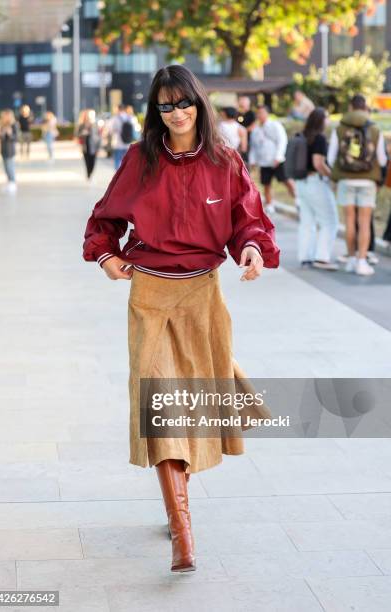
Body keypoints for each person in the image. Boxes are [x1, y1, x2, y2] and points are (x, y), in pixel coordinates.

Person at [82, 64, 280, 573]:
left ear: (199, 102)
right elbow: (103, 220)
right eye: (165, 105)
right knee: (161, 404)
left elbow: (248, 219)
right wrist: (106, 257)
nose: (176, 113)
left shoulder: (224, 160)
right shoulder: (138, 159)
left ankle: (176, 508)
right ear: (156, 110)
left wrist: (253, 250)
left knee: (190, 404)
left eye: (183, 102)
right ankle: (184, 534)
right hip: (149, 296)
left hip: (204, 299)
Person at [328, 94, 387, 276]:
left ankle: (352, 259)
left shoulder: (339, 128)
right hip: (368, 181)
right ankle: (362, 262)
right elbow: (383, 161)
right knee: (364, 222)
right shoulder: (375, 129)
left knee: (350, 222)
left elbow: (330, 159)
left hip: (346, 180)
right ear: (365, 107)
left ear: (351, 107)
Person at [294, 108, 339, 270]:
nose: (328, 121)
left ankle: (306, 257)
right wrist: (333, 176)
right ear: (321, 120)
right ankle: (322, 257)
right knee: (330, 221)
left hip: (301, 183)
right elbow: (318, 163)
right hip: (315, 182)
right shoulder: (319, 138)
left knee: (307, 221)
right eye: (327, 118)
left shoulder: (302, 135)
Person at [249, 104, 295, 214]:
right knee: (266, 184)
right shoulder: (256, 130)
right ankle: (270, 204)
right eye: (258, 113)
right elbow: (254, 146)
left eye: (262, 113)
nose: (260, 115)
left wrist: (278, 156)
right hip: (264, 161)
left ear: (267, 113)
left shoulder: (275, 125)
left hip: (277, 159)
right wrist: (253, 160)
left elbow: (282, 140)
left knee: (286, 180)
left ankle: (297, 199)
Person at [76, 109, 100, 180]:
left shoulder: (95, 124)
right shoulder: (81, 125)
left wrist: (98, 147)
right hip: (85, 146)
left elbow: (98, 136)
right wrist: (83, 133)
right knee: (87, 161)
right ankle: (88, 173)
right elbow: (77, 134)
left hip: (93, 145)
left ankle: (91, 172)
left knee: (93, 161)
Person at [108, 104, 133, 170]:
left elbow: (110, 130)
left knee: (117, 160)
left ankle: (118, 176)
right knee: (126, 161)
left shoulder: (115, 118)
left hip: (117, 143)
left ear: (118, 109)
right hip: (127, 143)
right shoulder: (129, 117)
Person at [0, 109, 18, 193]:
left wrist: (10, 134)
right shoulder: (2, 125)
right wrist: (2, 133)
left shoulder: (13, 125)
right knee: (6, 167)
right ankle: (9, 182)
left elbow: (15, 137)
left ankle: (13, 183)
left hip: (10, 150)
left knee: (10, 167)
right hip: (3, 149)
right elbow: (0, 138)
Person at [237, 95, 256, 167]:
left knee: (246, 157)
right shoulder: (238, 113)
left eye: (243, 102)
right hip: (239, 140)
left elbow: (254, 125)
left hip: (249, 139)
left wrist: (244, 131)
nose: (241, 104)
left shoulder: (251, 113)